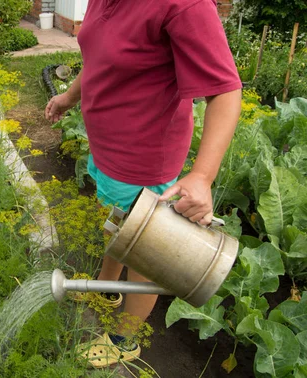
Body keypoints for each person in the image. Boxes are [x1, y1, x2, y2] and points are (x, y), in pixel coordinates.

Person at [44, 0, 242, 369]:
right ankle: (107, 290)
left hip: (145, 158)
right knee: (119, 224)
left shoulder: (184, 4)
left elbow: (225, 90)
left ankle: (124, 339)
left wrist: (202, 176)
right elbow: (100, 60)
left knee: (146, 252)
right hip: (107, 150)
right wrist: (69, 98)